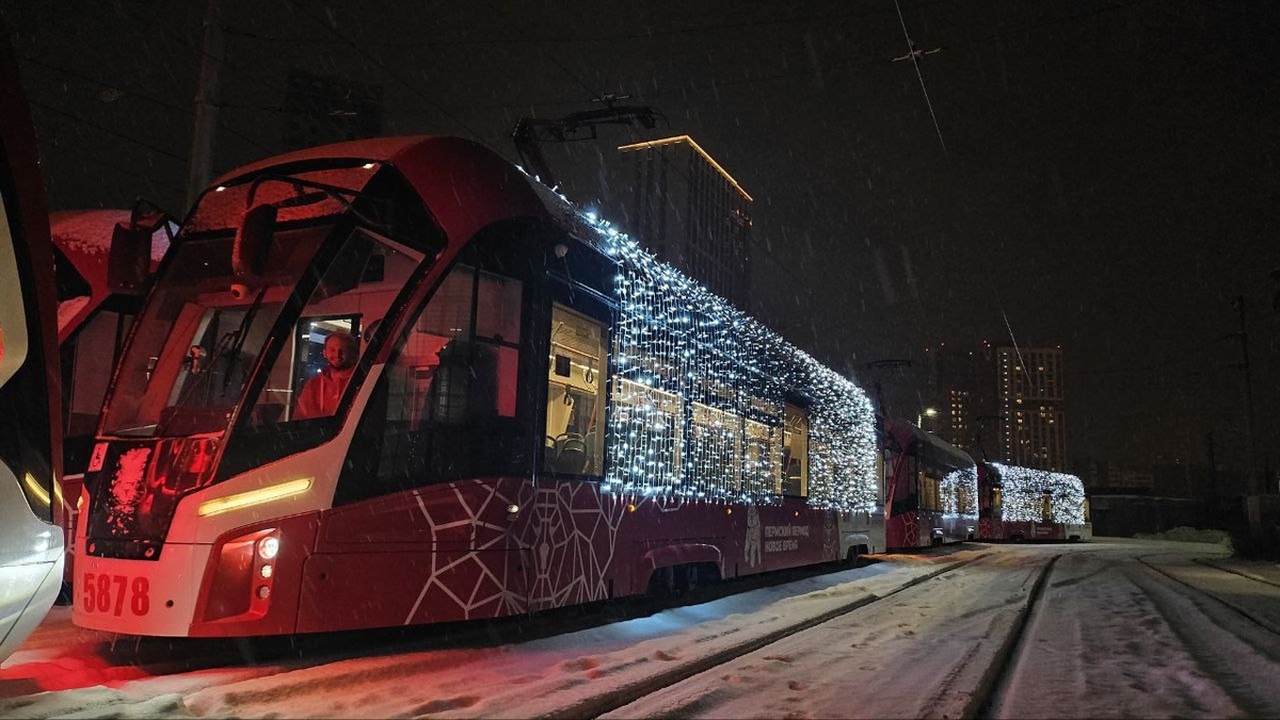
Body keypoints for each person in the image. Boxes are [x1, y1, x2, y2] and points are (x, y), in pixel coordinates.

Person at [294, 331, 358, 420]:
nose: (337, 355)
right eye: (332, 350)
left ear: (351, 354)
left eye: (342, 350)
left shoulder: (360, 382)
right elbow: (300, 417)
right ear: (324, 353)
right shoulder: (312, 385)